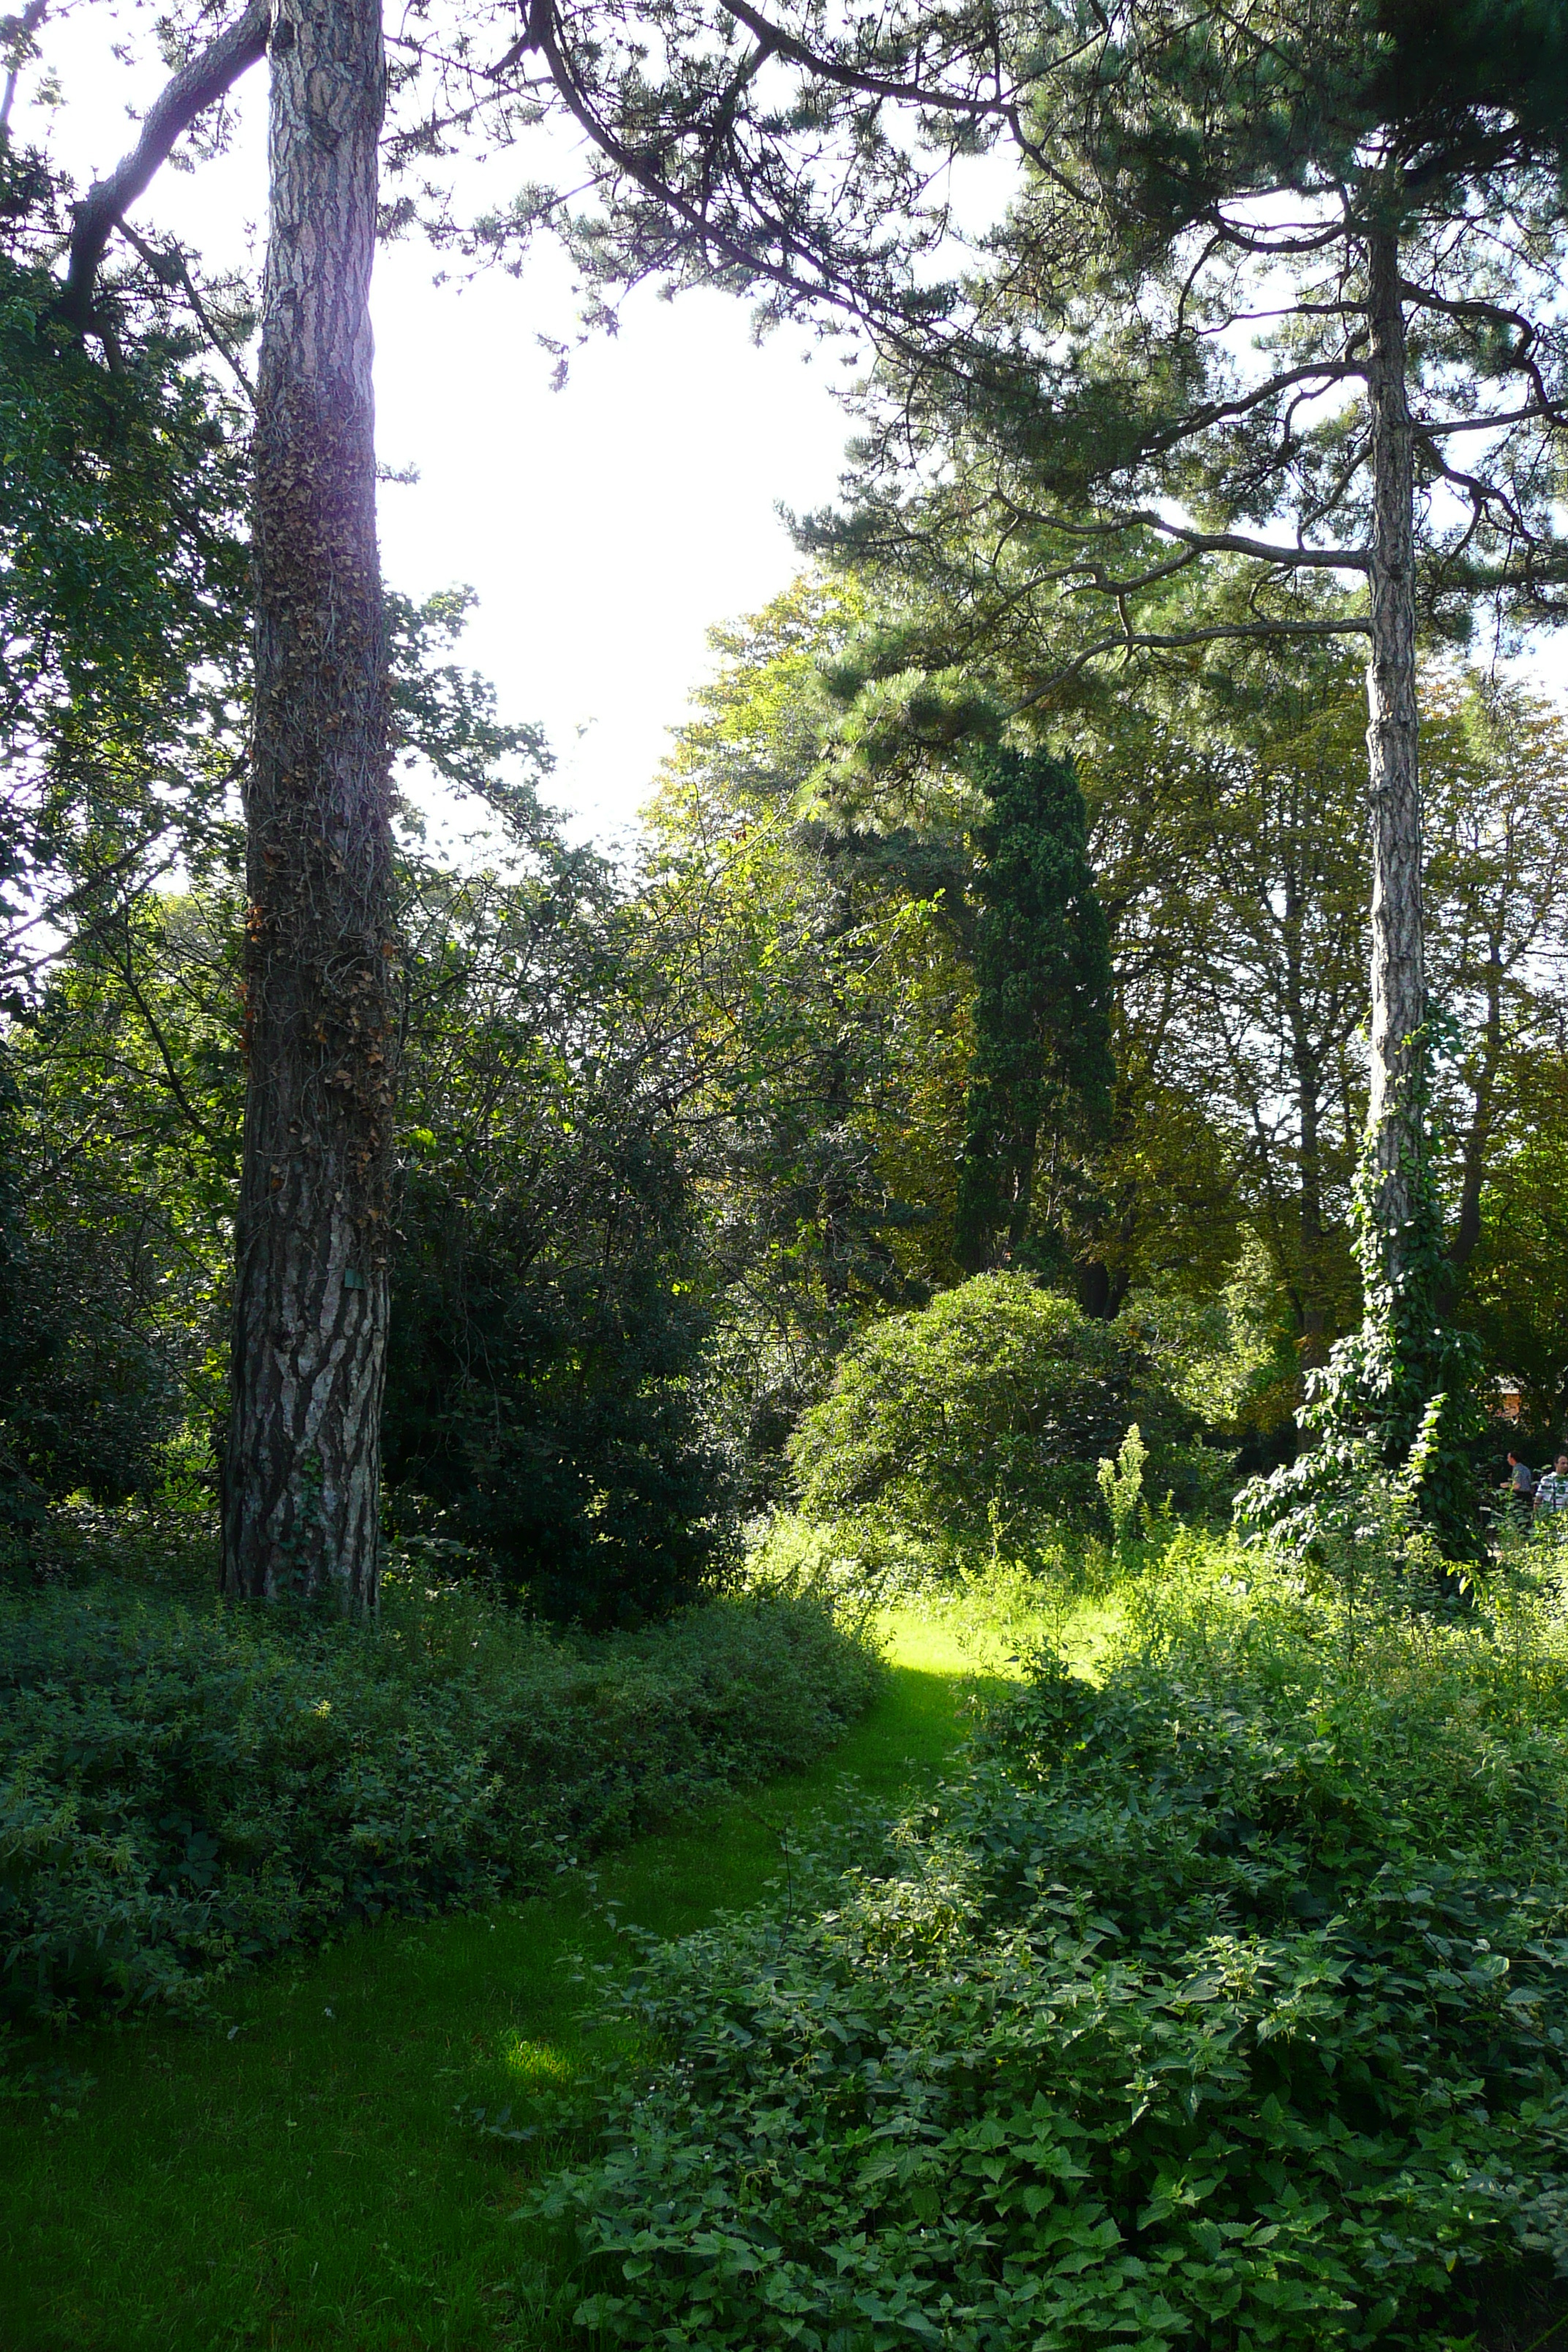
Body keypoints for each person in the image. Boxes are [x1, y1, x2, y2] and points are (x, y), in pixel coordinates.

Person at [1505, 1450, 1535, 1523]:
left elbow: (1517, 1486)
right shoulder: (1526, 1469)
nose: (1507, 1460)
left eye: (1508, 1458)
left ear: (1512, 1459)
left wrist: (1506, 1485)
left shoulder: (1517, 1469)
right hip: (1528, 1495)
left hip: (1520, 1495)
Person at [1534, 1452, 1568, 1518]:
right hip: (1548, 1515)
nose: (1566, 1466)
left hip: (1563, 1517)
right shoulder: (1547, 1480)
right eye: (1563, 1463)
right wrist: (1537, 1516)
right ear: (1556, 1464)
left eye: (1567, 1463)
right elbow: (1538, 1500)